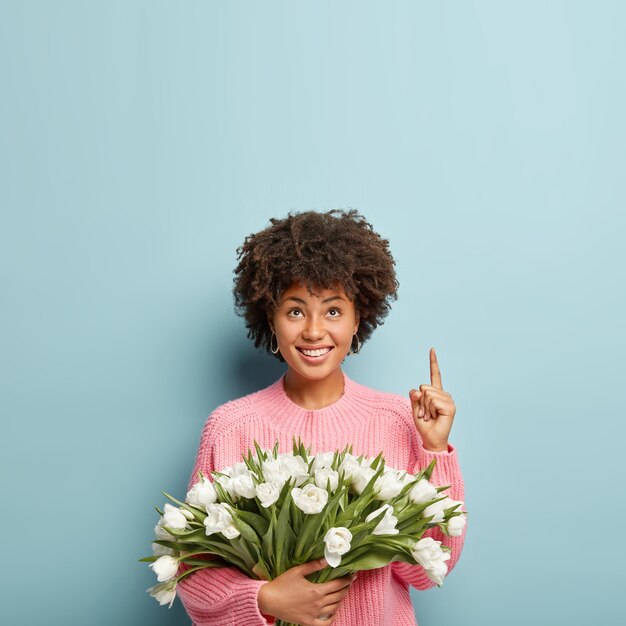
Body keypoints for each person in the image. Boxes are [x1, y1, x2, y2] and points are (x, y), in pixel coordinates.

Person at [176, 209, 466, 626]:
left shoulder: (397, 420)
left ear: (357, 319)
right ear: (270, 319)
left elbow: (424, 570)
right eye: (295, 311)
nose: (313, 331)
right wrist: (264, 599)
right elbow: (192, 568)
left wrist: (435, 450)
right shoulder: (230, 427)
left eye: (332, 311)